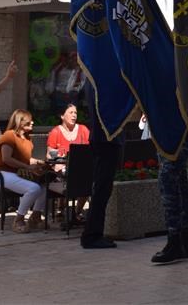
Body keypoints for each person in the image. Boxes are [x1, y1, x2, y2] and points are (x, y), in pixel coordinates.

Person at [0, 109, 49, 233]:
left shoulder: (27, 139)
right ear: (20, 121)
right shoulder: (9, 135)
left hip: (17, 174)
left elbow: (26, 159)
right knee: (34, 189)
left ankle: (35, 217)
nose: (32, 122)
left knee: (44, 188)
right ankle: (19, 219)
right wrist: (28, 167)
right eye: (29, 120)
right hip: (2, 174)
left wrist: (39, 162)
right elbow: (6, 159)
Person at [80, 83, 120, 249]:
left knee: (103, 187)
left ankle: (94, 233)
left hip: (103, 136)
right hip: (106, 136)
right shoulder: (101, 77)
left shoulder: (94, 77)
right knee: (102, 187)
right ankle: (92, 235)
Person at [151, 135, 188, 265]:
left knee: (168, 176)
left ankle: (175, 240)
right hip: (171, 131)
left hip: (177, 130)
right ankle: (183, 241)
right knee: (180, 180)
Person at [47, 103, 90, 224]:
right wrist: (57, 163)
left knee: (88, 179)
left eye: (75, 113)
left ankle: (77, 212)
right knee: (65, 175)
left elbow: (90, 150)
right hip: (62, 169)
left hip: (81, 167)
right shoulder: (55, 132)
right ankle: (60, 208)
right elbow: (49, 154)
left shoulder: (83, 130)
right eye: (70, 112)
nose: (74, 115)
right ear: (62, 115)